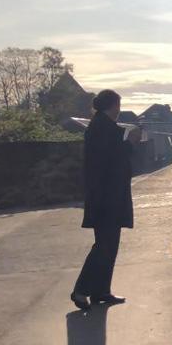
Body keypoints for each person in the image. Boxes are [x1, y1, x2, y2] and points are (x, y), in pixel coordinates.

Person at [71, 89, 138, 310]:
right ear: (113, 105)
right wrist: (130, 144)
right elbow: (111, 159)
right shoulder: (103, 128)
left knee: (109, 245)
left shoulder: (99, 126)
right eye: (118, 105)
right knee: (104, 245)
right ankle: (81, 290)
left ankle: (100, 290)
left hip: (106, 195)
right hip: (106, 197)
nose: (119, 110)